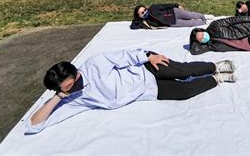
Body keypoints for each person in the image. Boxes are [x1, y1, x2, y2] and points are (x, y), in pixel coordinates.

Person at [25, 49, 236, 134]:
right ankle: (216, 79)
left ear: (76, 73)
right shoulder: (74, 99)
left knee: (183, 70)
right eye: (67, 89)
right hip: (147, 89)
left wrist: (148, 56)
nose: (74, 88)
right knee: (184, 91)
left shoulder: (94, 64)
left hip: (145, 69)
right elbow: (34, 125)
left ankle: (214, 66)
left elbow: (124, 56)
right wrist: (58, 98)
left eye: (73, 83)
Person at [130, 4, 213, 29]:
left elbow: (165, 5)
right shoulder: (146, 22)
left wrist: (177, 5)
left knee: (189, 15)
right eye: (142, 13)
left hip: (174, 12)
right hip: (172, 23)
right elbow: (134, 25)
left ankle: (204, 16)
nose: (145, 12)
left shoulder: (153, 8)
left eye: (144, 9)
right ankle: (204, 22)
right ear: (139, 16)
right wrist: (139, 20)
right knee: (189, 23)